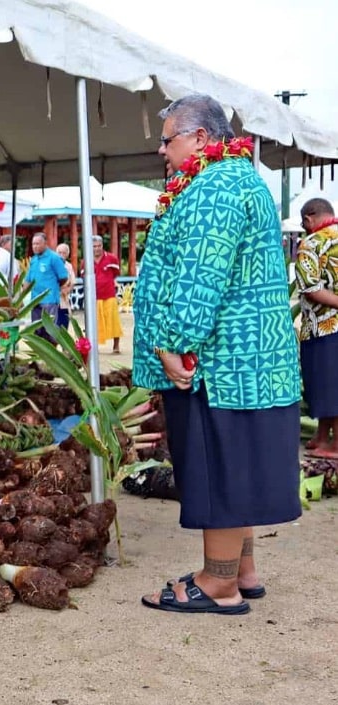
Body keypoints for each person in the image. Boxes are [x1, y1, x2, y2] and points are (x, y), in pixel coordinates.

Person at [135, 94, 300, 615]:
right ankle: (242, 570)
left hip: (218, 363)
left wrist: (174, 343)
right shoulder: (236, 178)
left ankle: (218, 584)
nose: (162, 151)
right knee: (236, 466)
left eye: (168, 139)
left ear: (201, 139)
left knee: (219, 467)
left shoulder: (215, 186)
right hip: (245, 361)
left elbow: (199, 276)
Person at [295, 197, 338, 457]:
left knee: (327, 384)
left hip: (323, 327)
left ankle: (335, 446)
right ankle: (322, 436)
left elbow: (311, 289)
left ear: (309, 219)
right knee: (326, 383)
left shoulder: (311, 242)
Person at [24, 233, 70, 329]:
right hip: (35, 300)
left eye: (38, 244)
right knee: (37, 330)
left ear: (45, 243)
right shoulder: (33, 260)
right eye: (33, 244)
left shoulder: (54, 258)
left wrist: (54, 287)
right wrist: (21, 298)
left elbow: (63, 277)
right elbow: (28, 280)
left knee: (50, 330)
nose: (35, 246)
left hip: (49, 300)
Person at [93, 235, 123, 354]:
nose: (97, 249)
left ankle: (116, 346)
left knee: (114, 321)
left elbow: (116, 273)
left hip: (109, 294)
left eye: (99, 246)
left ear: (102, 246)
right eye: (94, 246)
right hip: (94, 297)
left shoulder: (111, 259)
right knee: (95, 322)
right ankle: (95, 347)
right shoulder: (86, 260)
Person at [54, 243, 76, 328]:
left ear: (67, 254)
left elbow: (72, 282)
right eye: (59, 252)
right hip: (52, 301)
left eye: (64, 253)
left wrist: (68, 290)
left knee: (63, 326)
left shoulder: (69, 266)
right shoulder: (51, 265)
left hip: (64, 301)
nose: (61, 255)